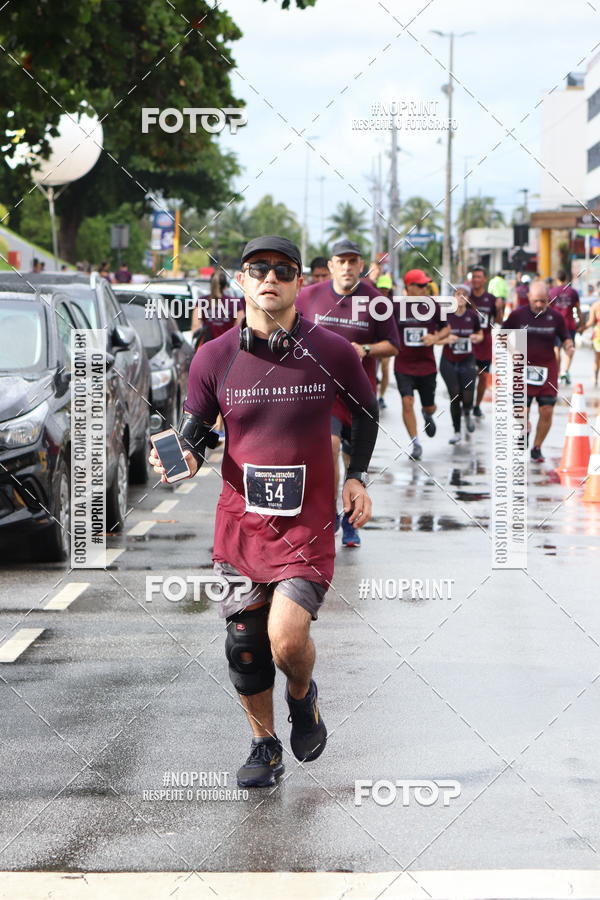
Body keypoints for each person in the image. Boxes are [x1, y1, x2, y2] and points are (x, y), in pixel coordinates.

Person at [149, 235, 378, 788]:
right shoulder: (214, 357)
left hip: (306, 524)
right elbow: (196, 430)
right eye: (257, 269)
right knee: (246, 648)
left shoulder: (332, 352)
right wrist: (180, 457)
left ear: (300, 282)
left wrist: (356, 475)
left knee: (287, 638)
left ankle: (302, 696)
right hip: (241, 524)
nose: (269, 277)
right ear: (242, 281)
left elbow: (365, 414)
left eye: (282, 269)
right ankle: (264, 746)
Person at [296, 237, 399, 548]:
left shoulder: (376, 301)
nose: (346, 267)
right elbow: (288, 332)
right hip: (321, 395)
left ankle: (350, 519)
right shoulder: (308, 297)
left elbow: (393, 345)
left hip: (359, 396)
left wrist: (365, 348)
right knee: (329, 445)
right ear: (330, 266)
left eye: (352, 261)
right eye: (340, 261)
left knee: (354, 463)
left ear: (361, 266)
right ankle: (327, 516)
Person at [504, 280, 574, 462]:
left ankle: (537, 447)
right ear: (529, 297)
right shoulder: (517, 315)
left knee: (547, 410)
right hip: (523, 368)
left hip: (547, 369)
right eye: (536, 301)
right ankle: (524, 430)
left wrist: (569, 346)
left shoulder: (556, 317)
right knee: (521, 410)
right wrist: (513, 351)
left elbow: (565, 337)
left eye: (543, 301)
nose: (539, 305)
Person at [394, 269, 450, 459]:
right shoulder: (396, 308)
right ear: (408, 287)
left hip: (427, 366)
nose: (424, 288)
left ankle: (427, 414)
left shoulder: (433, 306)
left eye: (425, 284)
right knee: (407, 401)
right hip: (404, 365)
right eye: (419, 285)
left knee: (429, 406)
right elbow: (387, 332)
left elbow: (446, 329)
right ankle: (415, 443)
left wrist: (435, 337)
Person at [438, 285, 484, 444]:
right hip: (449, 360)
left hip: (467, 359)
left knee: (468, 393)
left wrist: (476, 338)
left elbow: (480, 334)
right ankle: (457, 431)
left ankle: (468, 412)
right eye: (458, 294)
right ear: (453, 297)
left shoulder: (472, 316)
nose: (461, 298)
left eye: (464, 295)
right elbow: (435, 339)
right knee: (455, 394)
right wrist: (446, 339)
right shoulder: (445, 316)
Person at [469, 265, 504, 418]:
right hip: (468, 343)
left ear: (484, 279)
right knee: (468, 376)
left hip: (485, 344)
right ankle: (466, 404)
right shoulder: (466, 297)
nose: (476, 279)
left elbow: (498, 321)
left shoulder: (491, 299)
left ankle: (476, 405)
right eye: (474, 277)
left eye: (479, 277)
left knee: (483, 377)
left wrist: (500, 308)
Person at [548, 270, 583, 386]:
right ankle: (565, 371)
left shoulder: (552, 292)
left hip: (555, 325)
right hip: (569, 325)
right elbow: (578, 310)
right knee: (569, 348)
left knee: (556, 349)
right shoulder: (573, 292)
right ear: (566, 279)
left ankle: (557, 373)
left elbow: (547, 309)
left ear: (557, 279)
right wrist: (582, 325)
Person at [585, 297, 600, 386]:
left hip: (598, 335)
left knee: (597, 358)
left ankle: (595, 378)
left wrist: (582, 328)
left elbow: (590, 322)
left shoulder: (595, 305)